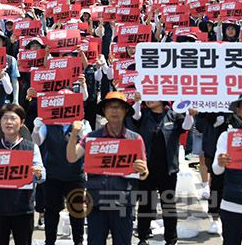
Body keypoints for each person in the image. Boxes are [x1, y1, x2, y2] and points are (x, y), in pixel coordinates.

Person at [67, 92, 149, 245]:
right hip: (97, 201)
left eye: (119, 107)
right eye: (110, 107)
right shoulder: (92, 138)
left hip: (124, 203)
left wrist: (143, 170)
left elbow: (144, 174)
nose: (115, 111)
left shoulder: (135, 139)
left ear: (125, 111)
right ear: (104, 111)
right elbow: (72, 157)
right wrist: (74, 135)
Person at [0, 104, 45, 245]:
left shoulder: (31, 147)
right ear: (0, 122)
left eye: (13, 118)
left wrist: (38, 173)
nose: (8, 122)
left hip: (23, 210)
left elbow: (42, 177)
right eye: (5, 118)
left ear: (22, 123)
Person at [130, 94, 196, 245]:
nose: (149, 99)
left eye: (153, 96)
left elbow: (185, 127)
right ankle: (143, 237)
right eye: (147, 97)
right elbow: (135, 115)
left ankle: (171, 239)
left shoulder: (173, 114)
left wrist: (189, 115)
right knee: (145, 204)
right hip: (146, 170)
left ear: (162, 98)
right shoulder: (143, 114)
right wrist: (138, 100)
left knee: (169, 205)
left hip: (168, 170)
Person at [32, 102, 92, 245]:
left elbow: (88, 143)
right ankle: (49, 241)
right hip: (53, 173)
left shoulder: (83, 123)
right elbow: (37, 141)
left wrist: (81, 130)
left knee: (76, 210)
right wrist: (37, 127)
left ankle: (78, 241)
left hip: (75, 174)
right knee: (51, 210)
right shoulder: (49, 123)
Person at [213, 92, 242, 245]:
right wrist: (220, 162)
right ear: (238, 111)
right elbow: (216, 170)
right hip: (232, 204)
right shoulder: (227, 137)